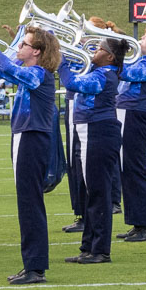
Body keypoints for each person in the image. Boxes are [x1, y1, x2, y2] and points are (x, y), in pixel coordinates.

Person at [0, 26, 60, 285]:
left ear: (36, 51)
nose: (20, 48)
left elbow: (12, 69)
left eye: (24, 44)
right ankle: (32, 264)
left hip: (33, 138)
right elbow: (3, 70)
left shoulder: (40, 74)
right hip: (25, 136)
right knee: (26, 203)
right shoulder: (31, 72)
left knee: (30, 203)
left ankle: (35, 267)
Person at [59, 37, 126, 266]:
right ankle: (88, 247)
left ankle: (100, 250)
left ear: (110, 57)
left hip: (98, 132)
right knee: (90, 192)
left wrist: (61, 62)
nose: (94, 52)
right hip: (90, 131)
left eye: (99, 49)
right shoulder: (99, 71)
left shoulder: (104, 75)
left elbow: (73, 83)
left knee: (98, 193)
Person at [115, 33, 146, 243]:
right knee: (129, 170)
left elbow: (126, 73)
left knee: (135, 170)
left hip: (136, 115)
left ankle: (144, 226)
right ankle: (137, 223)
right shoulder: (145, 61)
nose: (142, 38)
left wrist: (113, 55)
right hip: (131, 114)